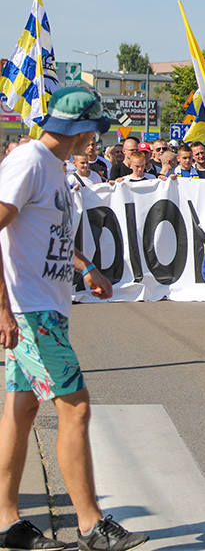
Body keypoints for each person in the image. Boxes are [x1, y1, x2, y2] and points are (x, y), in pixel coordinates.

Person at [0, 88, 149, 551]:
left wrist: (84, 267)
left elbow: (45, 231)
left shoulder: (51, 168)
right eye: (94, 131)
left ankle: (6, 522)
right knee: (76, 407)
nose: (94, 141)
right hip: (30, 310)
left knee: (20, 411)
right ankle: (90, 524)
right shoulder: (29, 162)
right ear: (82, 129)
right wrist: (2, 310)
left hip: (43, 305)